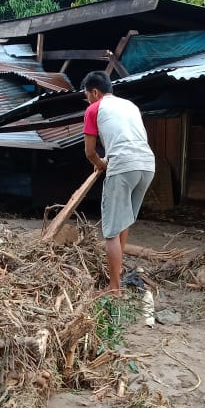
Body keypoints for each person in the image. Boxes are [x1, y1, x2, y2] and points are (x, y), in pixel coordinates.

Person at [81, 70, 155, 295]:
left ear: (95, 92)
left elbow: (89, 152)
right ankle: (117, 276)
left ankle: (114, 288)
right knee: (123, 223)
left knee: (111, 231)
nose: (87, 100)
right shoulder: (131, 106)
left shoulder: (94, 108)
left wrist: (101, 164)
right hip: (147, 165)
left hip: (123, 166)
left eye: (87, 95)